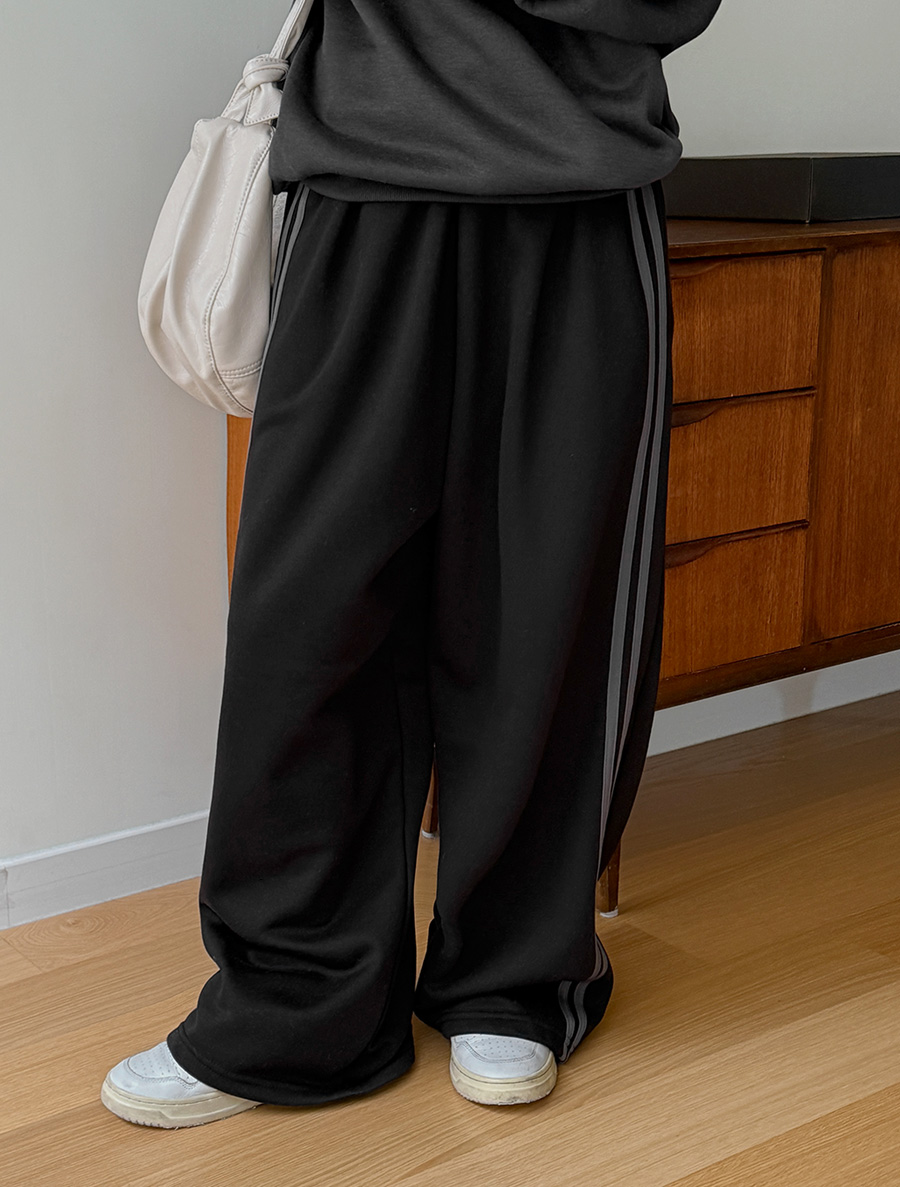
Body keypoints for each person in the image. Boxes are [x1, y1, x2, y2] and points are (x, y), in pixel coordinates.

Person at [101, 0, 722, 1128]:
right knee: (308, 613)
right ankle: (292, 1000)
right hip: (359, 191)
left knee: (547, 611)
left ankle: (514, 977)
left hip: (579, 197)